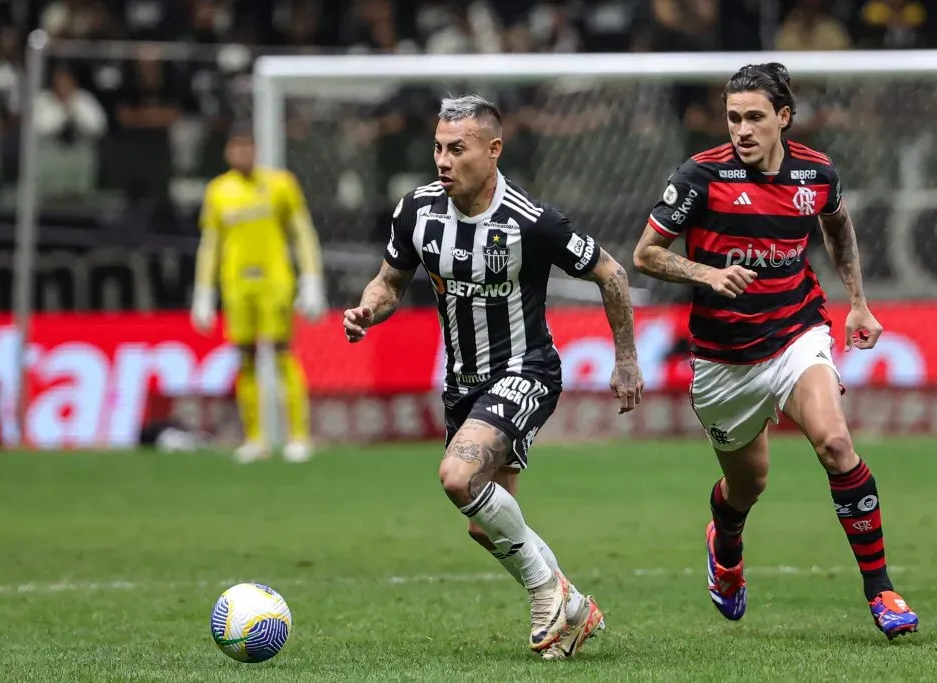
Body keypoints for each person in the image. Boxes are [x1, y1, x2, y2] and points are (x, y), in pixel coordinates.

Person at [343, 95, 643, 658]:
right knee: (485, 526)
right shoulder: (417, 211)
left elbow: (612, 272)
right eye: (437, 147)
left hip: (526, 369)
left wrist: (625, 358)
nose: (442, 159)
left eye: (457, 148)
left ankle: (545, 595)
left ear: (493, 149)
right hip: (462, 384)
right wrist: (367, 310)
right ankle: (574, 608)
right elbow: (389, 283)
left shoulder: (532, 221)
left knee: (457, 477)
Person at [633, 63, 919, 640]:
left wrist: (858, 302)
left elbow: (837, 227)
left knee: (836, 443)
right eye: (734, 117)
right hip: (723, 358)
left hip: (796, 332)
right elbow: (646, 254)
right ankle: (727, 540)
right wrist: (707, 274)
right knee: (748, 486)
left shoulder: (816, 173)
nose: (742, 128)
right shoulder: (698, 177)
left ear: (783, 118)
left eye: (755, 117)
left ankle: (881, 590)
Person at [192, 129, 326, 463]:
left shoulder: (280, 184)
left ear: (256, 150)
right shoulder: (218, 191)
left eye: (247, 148)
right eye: (236, 148)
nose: (242, 154)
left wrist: (311, 279)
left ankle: (298, 436)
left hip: (275, 281)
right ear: (227, 153)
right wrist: (204, 291)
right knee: (246, 357)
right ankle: (255, 439)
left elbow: (301, 231)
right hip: (236, 283)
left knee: (281, 353)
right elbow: (211, 244)